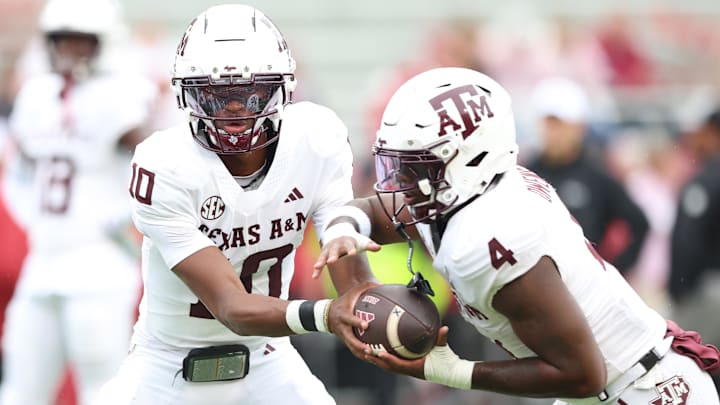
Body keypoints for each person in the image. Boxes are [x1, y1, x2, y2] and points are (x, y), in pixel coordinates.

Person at [314, 67, 720, 404]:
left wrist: (453, 371)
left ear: (467, 158)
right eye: (397, 165)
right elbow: (370, 210)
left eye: (415, 168)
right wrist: (343, 233)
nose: (401, 182)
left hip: (642, 391)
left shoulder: (487, 236)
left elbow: (582, 373)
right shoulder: (461, 193)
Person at [94, 4, 376, 405]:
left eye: (250, 93)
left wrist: (378, 310)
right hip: (167, 362)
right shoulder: (165, 165)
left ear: (282, 88)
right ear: (186, 94)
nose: (233, 111)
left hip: (267, 355)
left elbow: (348, 268)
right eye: (214, 96)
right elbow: (232, 308)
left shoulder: (316, 139)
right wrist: (328, 314)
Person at [0, 0, 156, 404]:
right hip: (44, 260)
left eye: (81, 42)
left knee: (103, 389)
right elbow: (21, 171)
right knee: (20, 388)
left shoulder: (119, 93)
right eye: (63, 41)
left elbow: (148, 153)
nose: (71, 52)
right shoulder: (38, 95)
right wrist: (35, 221)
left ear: (104, 43)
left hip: (98, 264)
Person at [525, 76, 649, 275]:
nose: (553, 133)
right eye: (548, 124)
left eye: (560, 124)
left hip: (583, 294)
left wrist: (611, 272)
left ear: (579, 127)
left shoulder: (596, 175)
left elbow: (639, 223)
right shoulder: (525, 173)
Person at [670, 107, 720, 394]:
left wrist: (680, 288)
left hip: (709, 292)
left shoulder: (707, 178)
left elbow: (688, 241)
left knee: (681, 370)